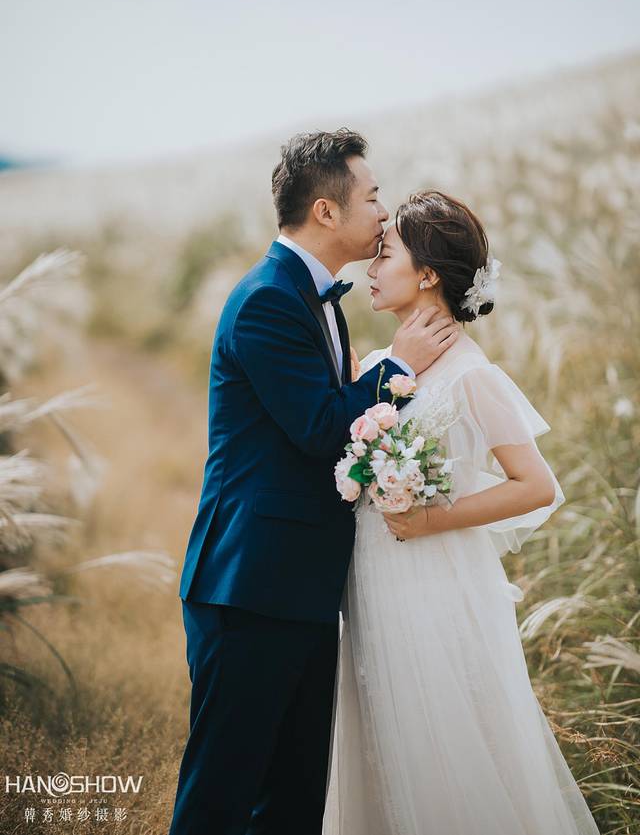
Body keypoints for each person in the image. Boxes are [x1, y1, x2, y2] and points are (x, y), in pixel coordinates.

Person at [167, 131, 458, 835]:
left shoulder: (315, 297)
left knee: (293, 801)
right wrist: (398, 368)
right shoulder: (267, 300)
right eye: (373, 196)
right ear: (327, 211)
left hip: (300, 586)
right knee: (220, 798)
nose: (383, 211)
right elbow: (323, 427)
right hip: (250, 587)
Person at [322, 190, 601, 834]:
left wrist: (432, 520)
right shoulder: (386, 366)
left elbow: (536, 485)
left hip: (436, 585)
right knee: (381, 735)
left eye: (386, 255)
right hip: (372, 581)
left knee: (443, 742)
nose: (371, 267)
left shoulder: (472, 376)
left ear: (426, 274)